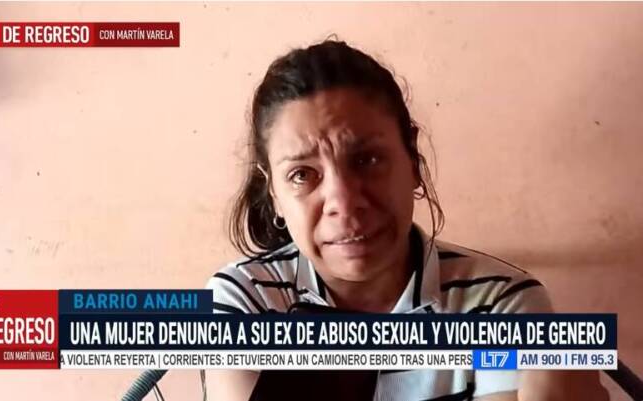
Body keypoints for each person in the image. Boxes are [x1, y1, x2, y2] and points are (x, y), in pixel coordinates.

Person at [205, 40, 608, 401]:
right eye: (301, 174)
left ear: (412, 160)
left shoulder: (498, 307)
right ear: (274, 193)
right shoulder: (246, 301)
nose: (344, 203)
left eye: (367, 159)